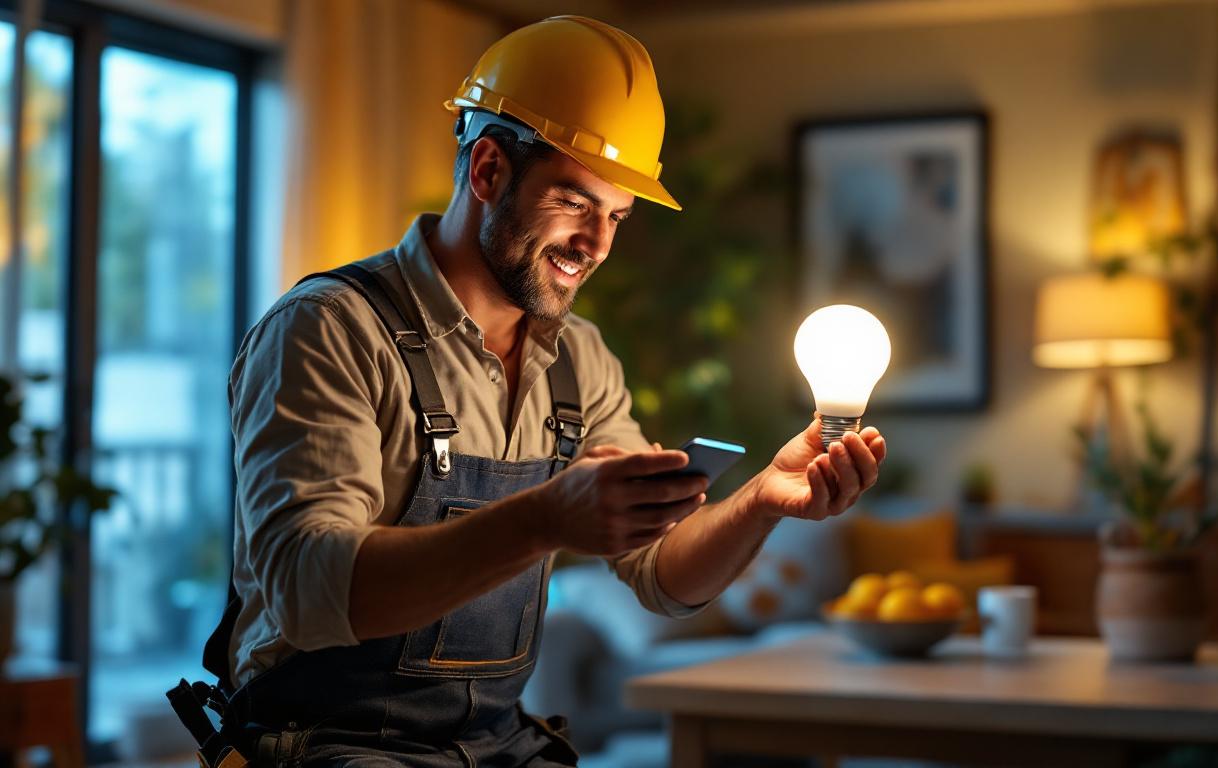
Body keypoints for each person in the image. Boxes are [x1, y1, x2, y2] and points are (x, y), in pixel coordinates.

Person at [212, 15, 886, 768]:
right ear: (489, 170)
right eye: (574, 201)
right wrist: (543, 519)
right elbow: (308, 591)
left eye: (616, 217)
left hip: (495, 745)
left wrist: (762, 498)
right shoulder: (329, 330)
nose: (595, 244)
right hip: (324, 744)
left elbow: (661, 575)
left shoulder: (581, 359)